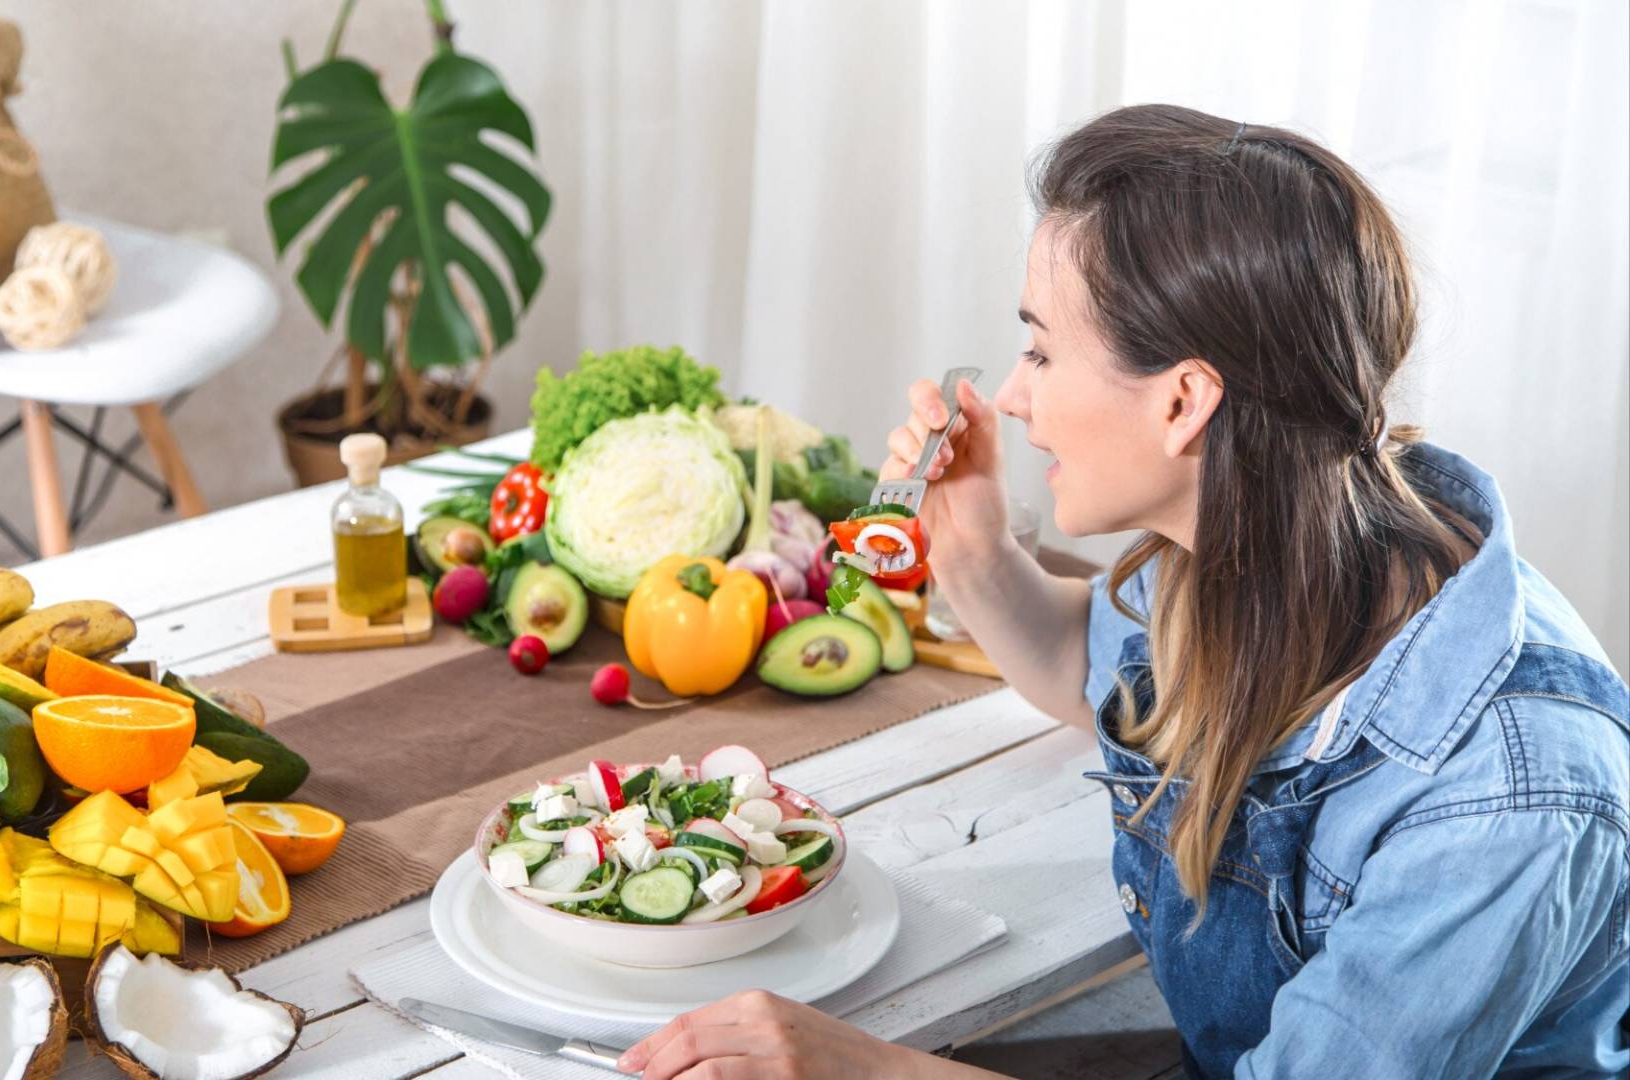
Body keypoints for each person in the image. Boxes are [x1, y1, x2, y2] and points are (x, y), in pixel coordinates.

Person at [617, 104, 1629, 1079]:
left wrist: (871, 1071)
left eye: (1043, 351)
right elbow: (1085, 671)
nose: (1014, 398)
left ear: (1185, 402)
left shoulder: (1506, 798)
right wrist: (970, 543)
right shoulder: (1271, 545)